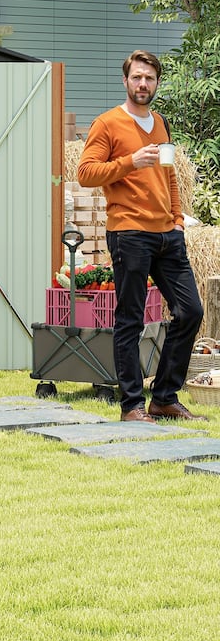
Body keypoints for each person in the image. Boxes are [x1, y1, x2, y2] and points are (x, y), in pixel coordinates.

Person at [77, 49, 204, 422]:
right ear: (125, 80)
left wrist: (178, 218)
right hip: (130, 233)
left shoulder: (160, 123)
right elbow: (86, 172)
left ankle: (164, 397)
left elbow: (169, 176)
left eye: (149, 78)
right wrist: (129, 162)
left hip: (168, 235)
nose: (142, 83)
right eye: (136, 77)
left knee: (190, 312)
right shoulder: (108, 124)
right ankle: (132, 405)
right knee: (130, 319)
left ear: (156, 83)